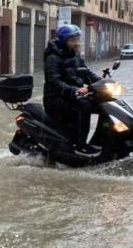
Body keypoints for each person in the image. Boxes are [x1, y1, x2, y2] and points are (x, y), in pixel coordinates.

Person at [43, 25, 102, 156]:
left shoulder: (75, 55)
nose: (77, 42)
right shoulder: (53, 57)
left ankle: (101, 141)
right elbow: (54, 82)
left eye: (77, 39)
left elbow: (87, 72)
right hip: (55, 98)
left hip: (73, 95)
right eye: (73, 40)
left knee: (101, 105)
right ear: (64, 40)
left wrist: (102, 82)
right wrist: (76, 90)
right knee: (84, 106)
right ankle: (80, 145)